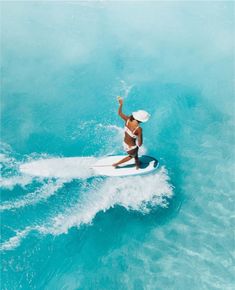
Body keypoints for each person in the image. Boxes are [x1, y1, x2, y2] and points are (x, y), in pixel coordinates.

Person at [112, 96, 150, 169]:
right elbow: (140, 143)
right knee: (131, 156)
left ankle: (137, 164)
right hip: (131, 147)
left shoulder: (128, 119)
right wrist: (139, 142)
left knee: (135, 154)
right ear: (142, 120)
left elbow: (119, 113)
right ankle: (117, 164)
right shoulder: (138, 129)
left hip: (125, 143)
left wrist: (121, 104)